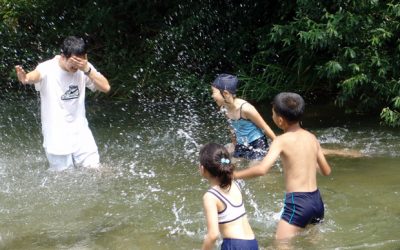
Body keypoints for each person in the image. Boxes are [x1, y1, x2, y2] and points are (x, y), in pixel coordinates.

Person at [233, 92, 332, 240]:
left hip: (298, 203)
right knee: (314, 243)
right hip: (317, 202)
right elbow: (326, 171)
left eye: (272, 113)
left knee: (280, 244)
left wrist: (233, 175)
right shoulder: (312, 137)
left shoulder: (281, 140)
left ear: (280, 120)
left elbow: (262, 169)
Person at [15, 36, 110, 171]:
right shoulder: (47, 68)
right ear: (63, 57)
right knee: (63, 178)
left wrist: (87, 70)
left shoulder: (84, 68)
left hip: (80, 132)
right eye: (73, 63)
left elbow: (106, 87)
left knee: (96, 169)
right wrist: (25, 78)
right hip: (56, 134)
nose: (76, 67)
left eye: (80, 63)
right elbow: (34, 76)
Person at [199, 143, 259, 250]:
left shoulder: (210, 196)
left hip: (234, 245)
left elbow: (213, 234)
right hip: (252, 242)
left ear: (202, 168)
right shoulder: (234, 184)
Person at [211, 74, 276, 161]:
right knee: (228, 166)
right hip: (241, 144)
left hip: (257, 143)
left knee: (253, 169)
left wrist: (278, 145)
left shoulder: (246, 109)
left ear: (225, 93)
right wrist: (234, 145)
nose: (212, 96)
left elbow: (265, 127)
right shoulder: (224, 108)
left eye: (214, 92)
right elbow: (232, 128)